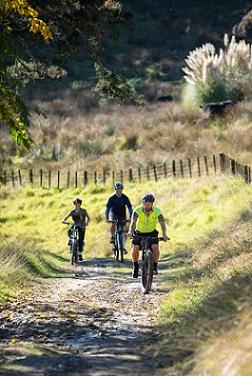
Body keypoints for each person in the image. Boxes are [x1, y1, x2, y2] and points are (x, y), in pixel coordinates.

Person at [128, 193, 169, 278]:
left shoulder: (157, 211)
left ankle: (154, 266)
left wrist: (164, 234)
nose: (146, 206)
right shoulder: (137, 210)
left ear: (152, 204)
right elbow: (133, 222)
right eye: (145, 204)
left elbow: (162, 223)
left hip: (152, 233)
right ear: (143, 203)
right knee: (135, 248)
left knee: (155, 247)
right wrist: (130, 232)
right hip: (139, 233)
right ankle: (135, 266)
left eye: (148, 205)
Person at [105, 182, 133, 252]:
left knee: (123, 230)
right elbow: (107, 209)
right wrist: (107, 218)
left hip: (122, 214)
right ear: (115, 190)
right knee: (113, 224)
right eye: (117, 189)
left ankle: (123, 246)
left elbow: (130, 208)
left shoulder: (125, 198)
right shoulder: (112, 198)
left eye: (120, 189)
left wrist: (130, 217)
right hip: (113, 213)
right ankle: (112, 237)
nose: (119, 191)